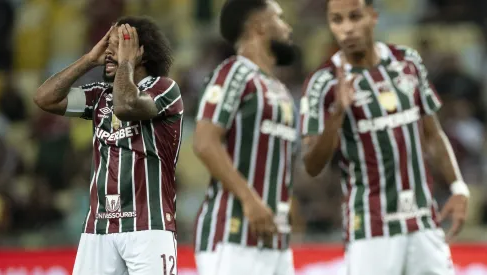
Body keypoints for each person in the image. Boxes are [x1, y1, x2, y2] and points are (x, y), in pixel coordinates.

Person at [300, 0, 469, 274]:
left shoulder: (407, 62)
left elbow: (433, 133)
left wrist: (458, 187)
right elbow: (312, 164)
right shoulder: (324, 83)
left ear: (373, 17)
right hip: (370, 226)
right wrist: (338, 113)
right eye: (337, 20)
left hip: (422, 219)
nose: (347, 29)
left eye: (355, 17)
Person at [34, 16, 183, 275]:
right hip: (99, 228)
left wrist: (125, 61)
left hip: (149, 227)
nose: (109, 52)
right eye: (107, 45)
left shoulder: (164, 90)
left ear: (142, 52)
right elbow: (44, 98)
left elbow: (127, 106)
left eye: (118, 44)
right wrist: (88, 60)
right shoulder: (100, 96)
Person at [192, 0, 298, 274]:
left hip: (275, 241)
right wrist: (251, 200)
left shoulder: (279, 90)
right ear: (259, 25)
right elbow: (205, 142)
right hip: (233, 237)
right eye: (280, 18)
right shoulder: (234, 73)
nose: (287, 27)